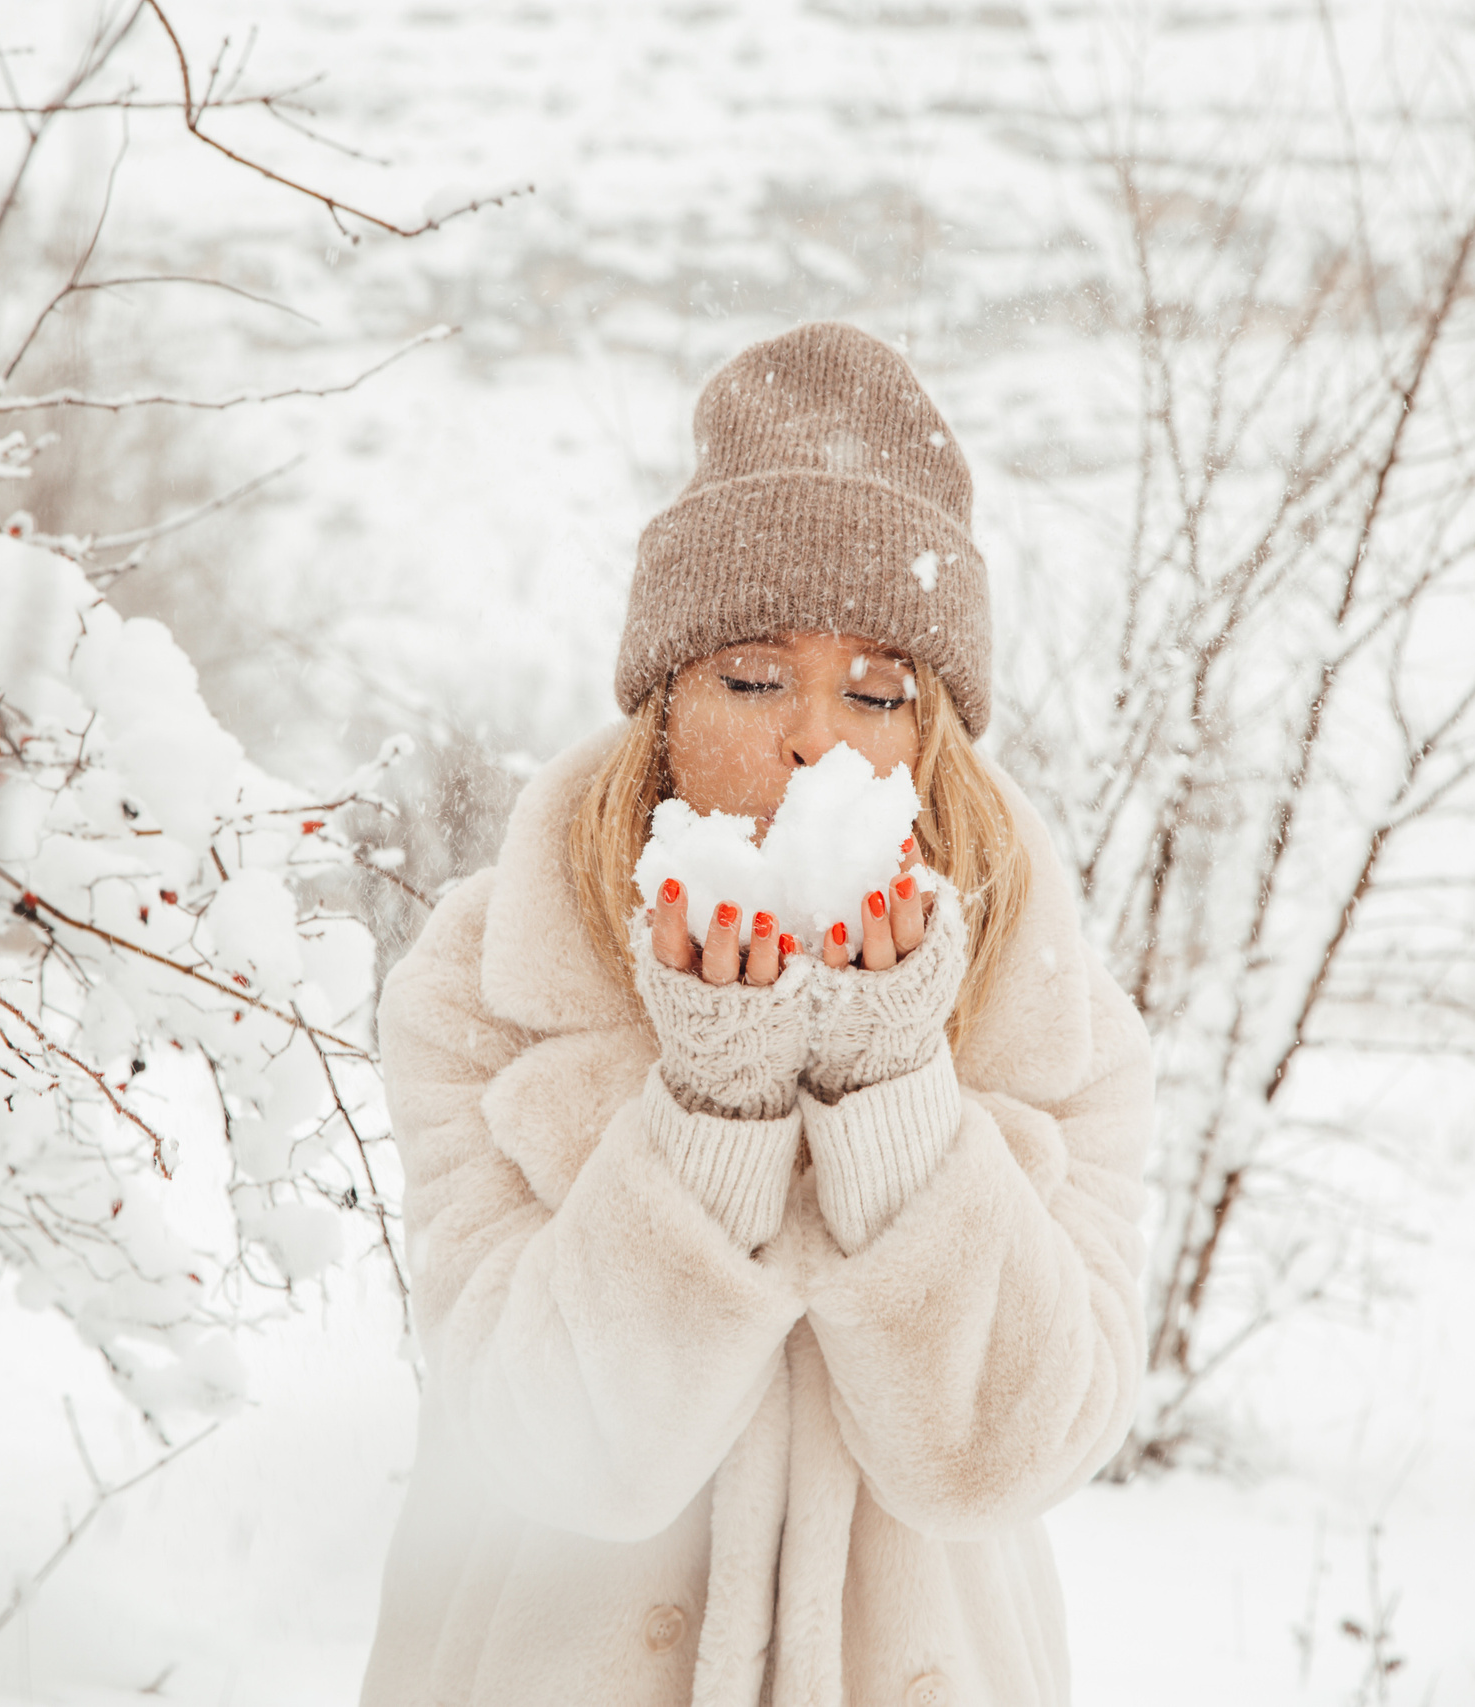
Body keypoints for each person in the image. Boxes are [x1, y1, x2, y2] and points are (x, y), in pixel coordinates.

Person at [359, 320, 1153, 1707]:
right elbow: (547, 1451)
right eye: (751, 676)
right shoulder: (486, 982)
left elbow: (1012, 1455)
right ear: (664, 702)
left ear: (934, 738)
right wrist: (713, 1111)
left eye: (876, 691)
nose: (815, 739)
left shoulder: (1055, 1013)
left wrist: (895, 1092)